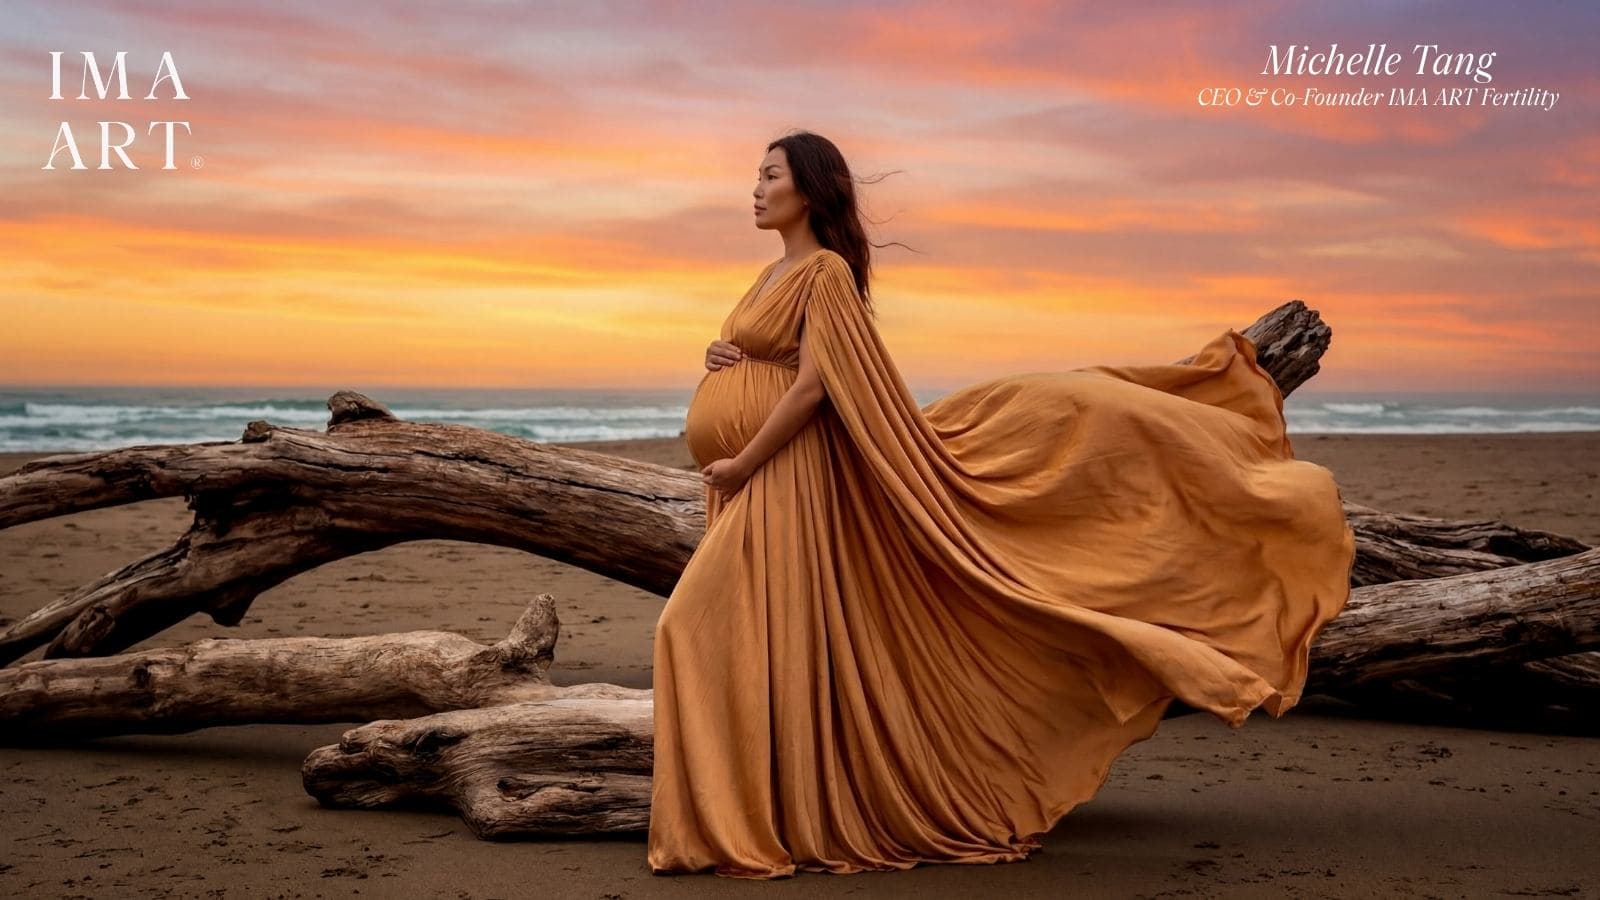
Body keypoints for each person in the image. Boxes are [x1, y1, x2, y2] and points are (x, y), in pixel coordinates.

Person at [647, 130, 1357, 879]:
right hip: (752, 479)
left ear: (810, 188)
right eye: (754, 176)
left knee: (687, 626)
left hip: (785, 478)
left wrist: (745, 460)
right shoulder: (772, 273)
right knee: (755, 641)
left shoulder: (824, 271)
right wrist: (723, 356)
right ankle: (760, 810)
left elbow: (818, 385)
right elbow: (775, 358)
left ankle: (732, 824)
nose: (754, 189)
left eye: (769, 175)